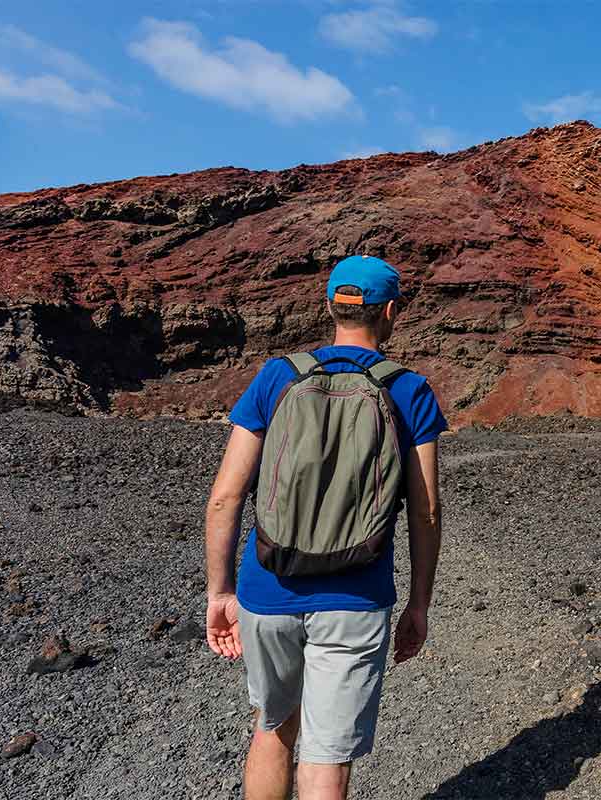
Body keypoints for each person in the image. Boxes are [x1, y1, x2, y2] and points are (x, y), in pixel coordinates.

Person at [203, 255, 447, 800]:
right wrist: (419, 603)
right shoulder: (408, 390)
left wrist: (220, 591)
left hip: (267, 589)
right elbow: (426, 511)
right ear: (390, 312)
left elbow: (226, 497)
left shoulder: (278, 376)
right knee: (327, 760)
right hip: (356, 597)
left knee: (273, 731)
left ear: (329, 305)